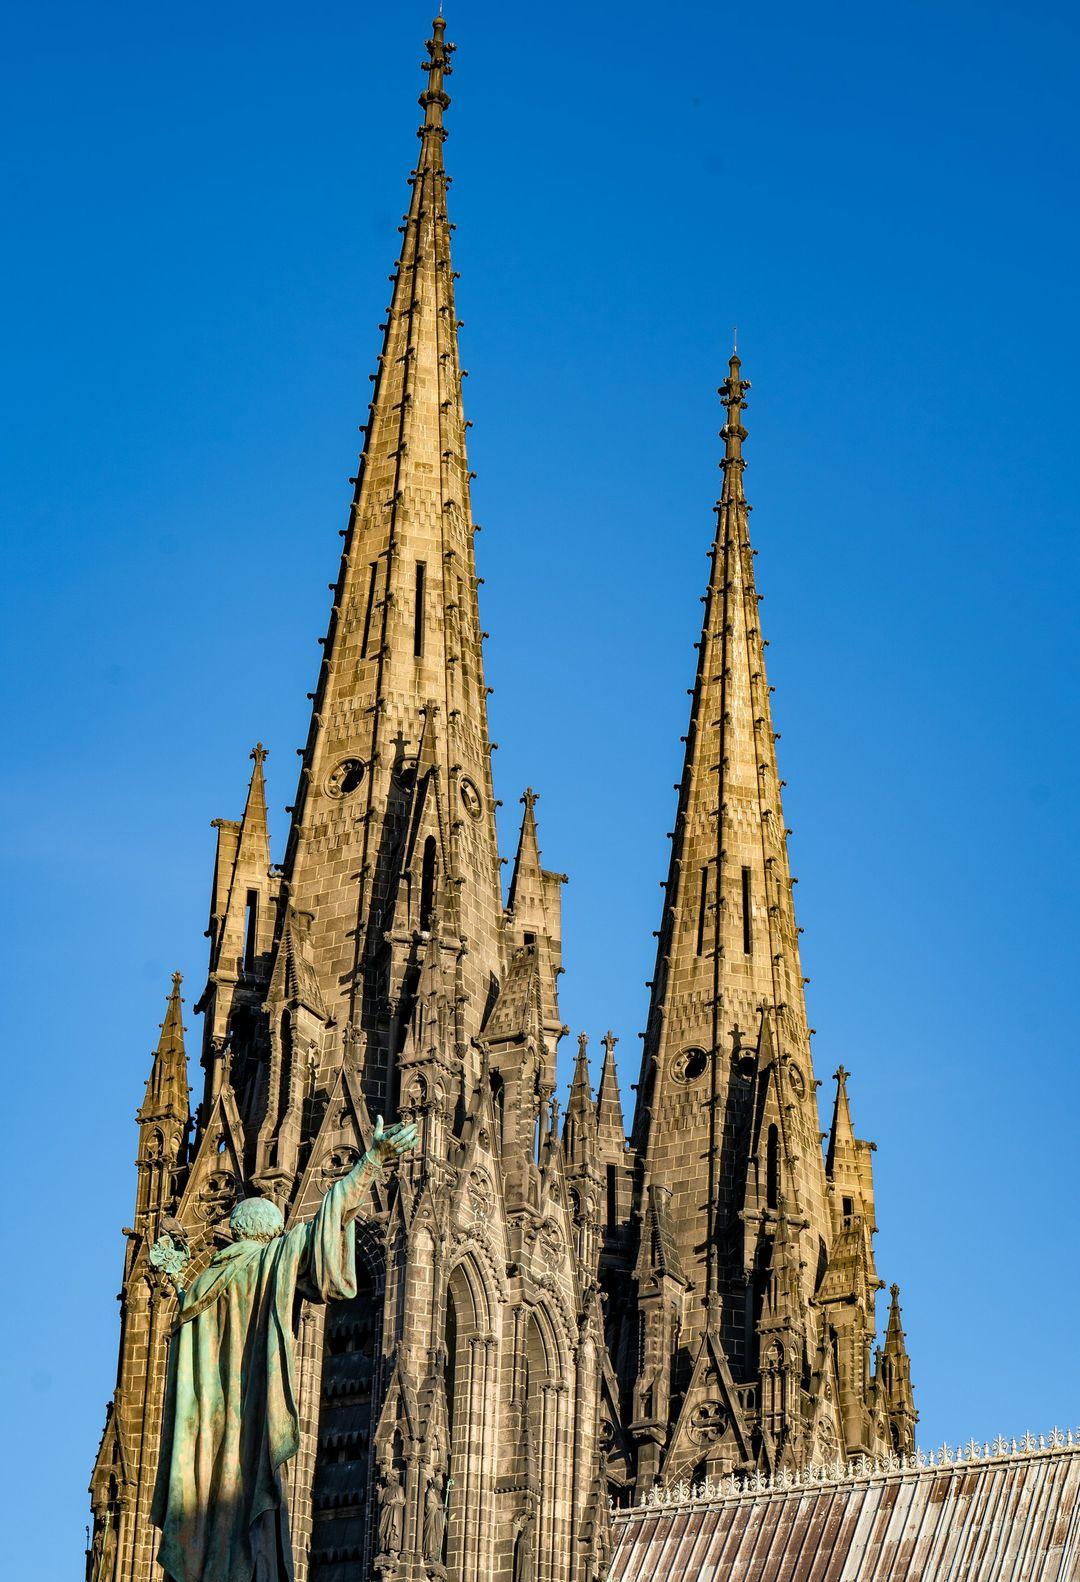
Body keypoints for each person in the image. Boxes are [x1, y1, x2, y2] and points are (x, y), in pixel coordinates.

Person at [151, 1115, 417, 1582]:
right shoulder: (266, 1262)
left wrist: (175, 1275)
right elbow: (329, 1215)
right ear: (270, 1235)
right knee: (250, 1513)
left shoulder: (200, 1289)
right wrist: (370, 1161)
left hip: (205, 1453)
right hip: (246, 1433)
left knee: (219, 1515)